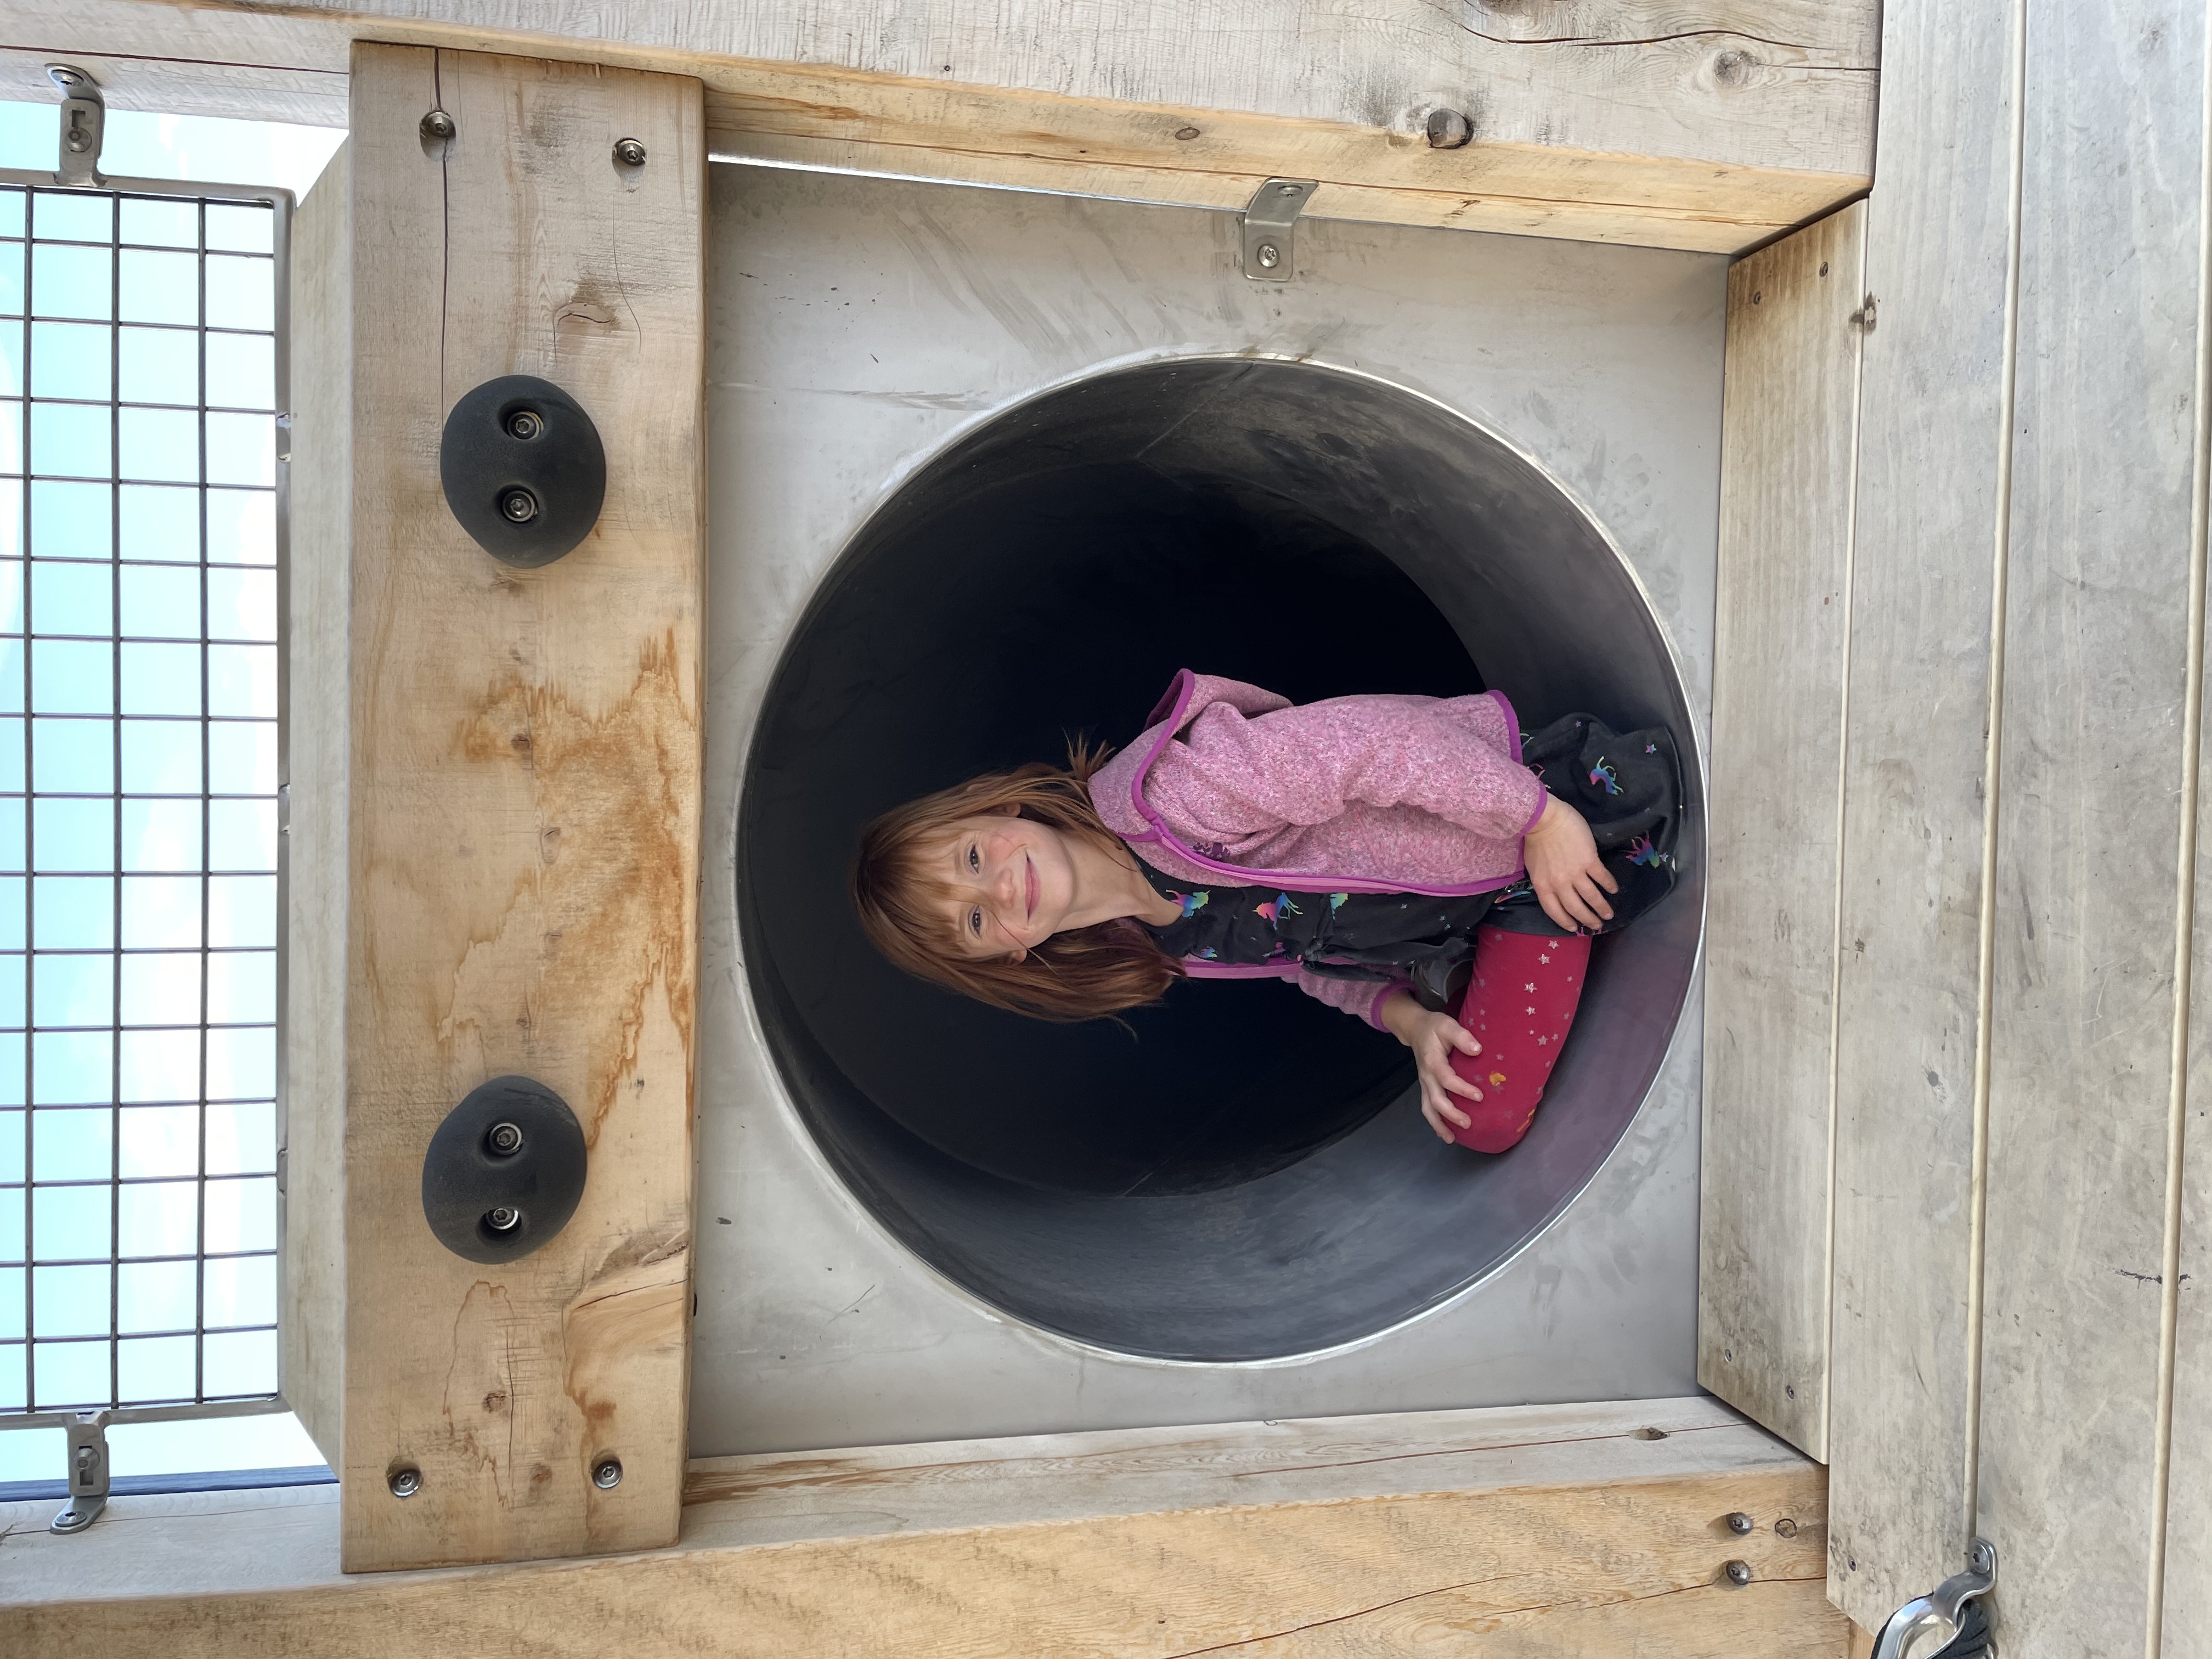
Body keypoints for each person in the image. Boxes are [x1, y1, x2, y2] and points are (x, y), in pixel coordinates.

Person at [852, 670, 1679, 1152]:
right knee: (1478, 1117)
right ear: (1010, 954)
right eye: (975, 921)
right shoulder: (1153, 940)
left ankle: (1590, 851)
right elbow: (1306, 963)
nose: (999, 888)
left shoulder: (1178, 795)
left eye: (972, 858)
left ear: (1000, 810)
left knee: (1492, 1111)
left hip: (1509, 815)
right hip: (1472, 919)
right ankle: (1556, 928)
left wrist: (1538, 817)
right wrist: (1410, 1024)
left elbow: (1372, 742)